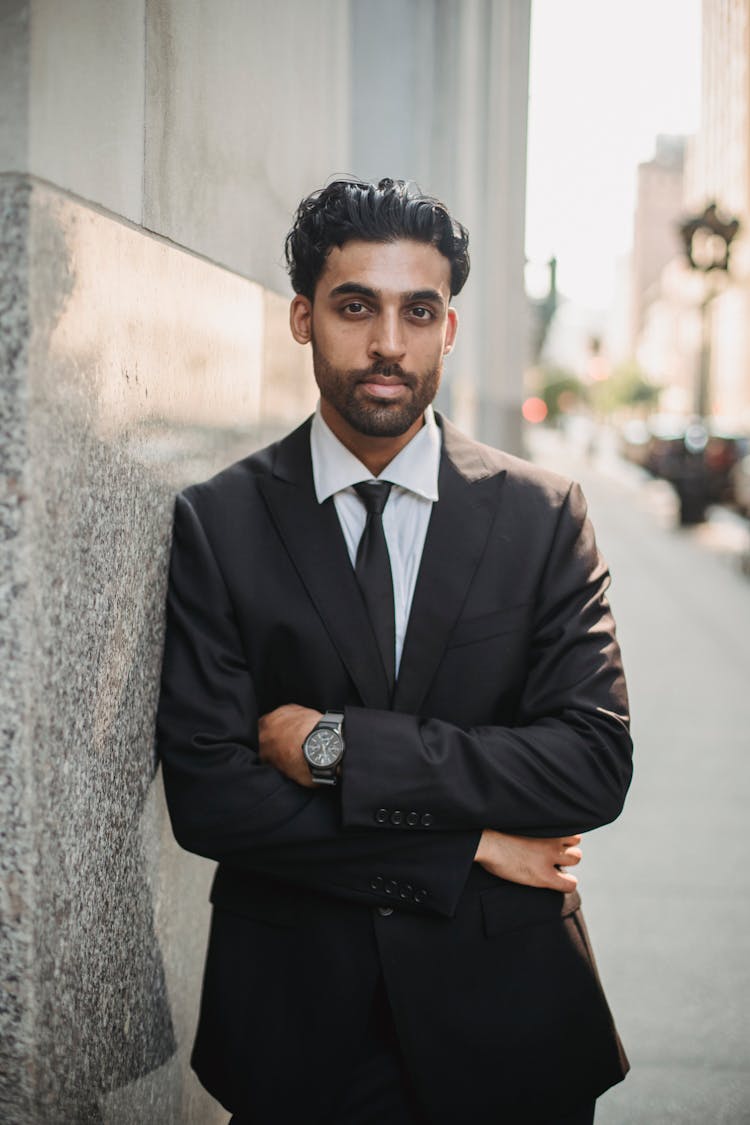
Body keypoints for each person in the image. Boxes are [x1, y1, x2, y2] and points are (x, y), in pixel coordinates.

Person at [156, 177, 632, 1125]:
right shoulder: (220, 522)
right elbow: (211, 800)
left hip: (515, 1023)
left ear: (449, 329)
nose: (388, 343)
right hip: (296, 1033)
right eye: (354, 306)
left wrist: (333, 746)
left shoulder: (543, 517)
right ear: (303, 317)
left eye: (420, 311)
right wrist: (467, 845)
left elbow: (591, 764)